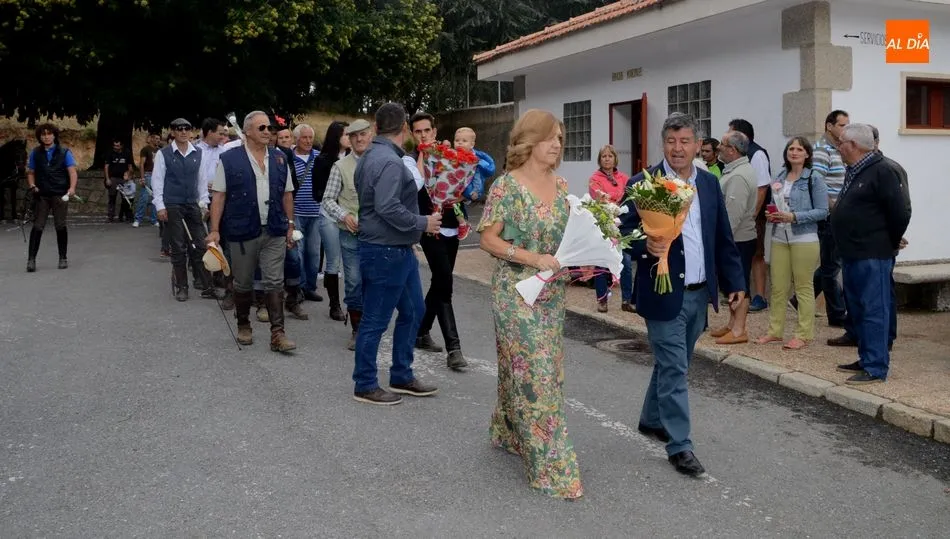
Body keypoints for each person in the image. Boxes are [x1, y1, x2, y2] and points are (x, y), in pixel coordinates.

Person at [619, 112, 744, 478]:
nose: (678, 148)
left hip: (698, 293)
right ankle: (680, 446)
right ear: (663, 144)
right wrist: (648, 245)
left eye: (685, 141)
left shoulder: (708, 184)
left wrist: (735, 282)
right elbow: (622, 230)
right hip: (663, 291)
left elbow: (722, 237)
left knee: (676, 362)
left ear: (697, 145)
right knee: (675, 366)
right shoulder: (643, 183)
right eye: (672, 142)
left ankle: (650, 418)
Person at [477, 109, 584, 500]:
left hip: (552, 294)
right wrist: (531, 258)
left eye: (560, 137)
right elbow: (489, 240)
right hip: (515, 293)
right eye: (550, 137)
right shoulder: (507, 186)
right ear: (530, 141)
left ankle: (508, 430)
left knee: (534, 369)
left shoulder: (562, 184)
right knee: (536, 375)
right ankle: (552, 468)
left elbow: (567, 238)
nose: (557, 144)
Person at [352, 102, 441, 405]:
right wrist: (422, 222)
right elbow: (387, 206)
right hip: (385, 251)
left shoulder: (370, 157)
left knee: (413, 310)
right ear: (404, 128)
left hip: (395, 249)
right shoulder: (389, 161)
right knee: (376, 319)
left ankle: (401, 374)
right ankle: (365, 384)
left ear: (376, 128)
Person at [206, 111, 297, 353]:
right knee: (243, 282)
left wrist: (290, 225)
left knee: (275, 280)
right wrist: (214, 230)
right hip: (242, 230)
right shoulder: (229, 159)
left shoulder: (279, 158)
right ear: (247, 132)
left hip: (275, 229)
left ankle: (278, 333)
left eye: (269, 128)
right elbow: (219, 195)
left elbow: (287, 194)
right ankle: (244, 324)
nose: (268, 132)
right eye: (262, 128)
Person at [831, 124, 910, 385]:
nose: (837, 146)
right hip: (853, 252)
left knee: (874, 309)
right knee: (858, 308)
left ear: (853, 145)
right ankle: (866, 357)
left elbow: (900, 212)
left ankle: (876, 366)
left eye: (841, 142)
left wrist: (889, 240)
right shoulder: (855, 170)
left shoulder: (883, 170)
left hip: (872, 253)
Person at [756, 137, 828, 349]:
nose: (794, 152)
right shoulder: (779, 175)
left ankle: (803, 334)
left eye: (799, 149)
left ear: (807, 154)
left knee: (804, 287)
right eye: (791, 148)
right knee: (778, 287)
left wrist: (794, 217)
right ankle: (775, 331)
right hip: (779, 236)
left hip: (803, 238)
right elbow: (773, 202)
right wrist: (771, 214)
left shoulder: (813, 178)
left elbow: (823, 211)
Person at [411, 112, 468, 370]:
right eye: (417, 131)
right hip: (429, 228)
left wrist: (462, 195)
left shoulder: (450, 155)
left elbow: (466, 184)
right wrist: (423, 156)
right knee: (445, 281)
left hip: (452, 227)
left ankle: (420, 331)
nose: (423, 135)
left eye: (426, 130)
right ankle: (453, 348)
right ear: (413, 134)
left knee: (440, 280)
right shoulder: (411, 161)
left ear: (434, 131)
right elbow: (417, 187)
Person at [152, 118, 216, 301]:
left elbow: (202, 180)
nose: (183, 132)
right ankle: (182, 286)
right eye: (178, 129)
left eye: (186, 128)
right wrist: (160, 206)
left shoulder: (199, 153)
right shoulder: (163, 154)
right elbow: (157, 181)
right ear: (172, 132)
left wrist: (203, 202)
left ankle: (206, 285)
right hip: (172, 203)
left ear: (190, 131)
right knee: (178, 247)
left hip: (193, 204)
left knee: (200, 245)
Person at [322, 119, 373, 350]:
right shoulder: (340, 167)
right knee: (353, 281)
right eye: (354, 136)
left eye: (363, 134)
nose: (359, 139)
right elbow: (328, 200)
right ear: (349, 140)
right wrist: (344, 216)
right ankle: (357, 328)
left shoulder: (381, 163)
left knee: (374, 282)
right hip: (350, 234)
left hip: (378, 236)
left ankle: (372, 325)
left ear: (370, 135)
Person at [709, 130, 758, 345]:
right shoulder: (735, 170)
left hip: (738, 238)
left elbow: (733, 215)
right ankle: (732, 324)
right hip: (736, 238)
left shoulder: (738, 176)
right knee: (731, 283)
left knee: (739, 283)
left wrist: (720, 240)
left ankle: (739, 330)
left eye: (723, 144)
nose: (719, 147)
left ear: (733, 150)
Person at [728, 119, 771, 312]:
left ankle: (760, 295)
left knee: (757, 254)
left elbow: (762, 187)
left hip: (754, 215)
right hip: (747, 214)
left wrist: (753, 214)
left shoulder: (757, 154)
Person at [25, 123, 78, 272]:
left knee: (60, 225)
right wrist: (32, 185)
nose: (46, 137)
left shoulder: (65, 152)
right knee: (37, 226)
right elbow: (30, 172)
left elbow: (72, 172)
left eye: (49, 134)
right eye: (43, 134)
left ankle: (63, 257)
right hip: (42, 195)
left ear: (54, 135)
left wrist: (72, 188)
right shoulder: (35, 152)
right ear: (40, 137)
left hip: (60, 194)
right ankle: (31, 260)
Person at [310, 121, 349, 320]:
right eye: (346, 134)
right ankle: (334, 305)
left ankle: (354, 305)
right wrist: (335, 203)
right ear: (336, 136)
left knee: (350, 262)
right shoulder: (323, 160)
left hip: (352, 217)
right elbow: (317, 192)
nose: (350, 138)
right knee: (333, 261)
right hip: (330, 215)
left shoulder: (356, 158)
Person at [588, 144, 634, 313]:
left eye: (610, 156)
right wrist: (613, 200)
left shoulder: (624, 177)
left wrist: (619, 205)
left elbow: (630, 197)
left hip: (622, 223)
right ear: (600, 160)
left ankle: (627, 300)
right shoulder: (595, 178)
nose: (607, 159)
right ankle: (602, 300)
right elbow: (598, 195)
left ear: (615, 158)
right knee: (602, 262)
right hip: (604, 224)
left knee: (626, 262)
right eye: (604, 156)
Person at [133, 132, 161, 228]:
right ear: (151, 139)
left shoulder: (160, 150)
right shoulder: (145, 149)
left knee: (155, 198)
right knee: (143, 198)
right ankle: (137, 219)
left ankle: (154, 220)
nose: (158, 140)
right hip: (148, 174)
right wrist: (142, 177)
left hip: (157, 176)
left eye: (159, 139)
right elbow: (141, 164)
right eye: (156, 138)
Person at [104, 138, 132, 222]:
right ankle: (110, 216)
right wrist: (107, 179)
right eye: (114, 145)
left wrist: (129, 177)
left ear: (121, 146)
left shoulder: (126, 153)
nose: (116, 147)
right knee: (112, 198)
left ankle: (125, 216)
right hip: (113, 178)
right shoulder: (110, 153)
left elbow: (130, 166)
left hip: (124, 179)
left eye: (118, 145)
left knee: (126, 198)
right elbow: (106, 166)